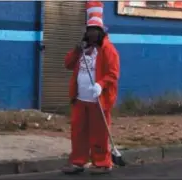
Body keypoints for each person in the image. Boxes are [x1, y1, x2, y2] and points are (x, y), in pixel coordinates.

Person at [61, 0, 120, 175]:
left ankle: (103, 163)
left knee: (99, 133)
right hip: (80, 99)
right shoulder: (83, 49)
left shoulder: (109, 50)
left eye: (95, 31)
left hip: (98, 100)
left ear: (101, 33)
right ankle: (78, 162)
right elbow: (68, 64)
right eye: (90, 31)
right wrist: (77, 50)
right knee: (78, 132)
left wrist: (101, 85)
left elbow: (113, 73)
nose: (92, 34)